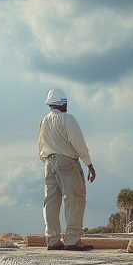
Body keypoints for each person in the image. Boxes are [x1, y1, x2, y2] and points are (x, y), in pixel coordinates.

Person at [37, 87, 96, 251]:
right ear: (61, 104)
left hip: (49, 162)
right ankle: (72, 239)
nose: (66, 106)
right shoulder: (67, 119)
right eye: (65, 103)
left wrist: (47, 161)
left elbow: (40, 145)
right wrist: (89, 164)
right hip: (67, 161)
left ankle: (52, 240)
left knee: (51, 201)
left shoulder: (44, 121)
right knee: (74, 198)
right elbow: (78, 143)